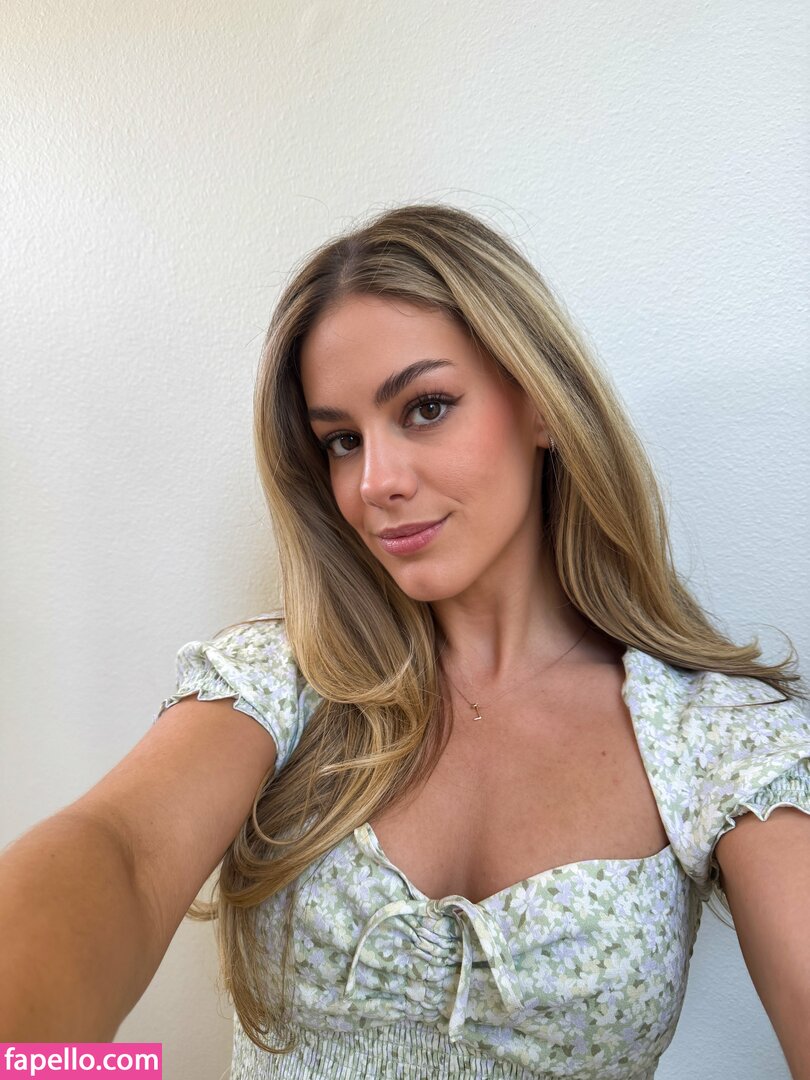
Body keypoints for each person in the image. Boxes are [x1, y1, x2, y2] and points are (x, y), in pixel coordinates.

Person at [1, 204, 809, 1079]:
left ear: (541, 406)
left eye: (426, 408)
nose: (374, 482)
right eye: (342, 441)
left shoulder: (714, 737)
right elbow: (121, 855)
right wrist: (37, 1056)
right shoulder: (281, 681)